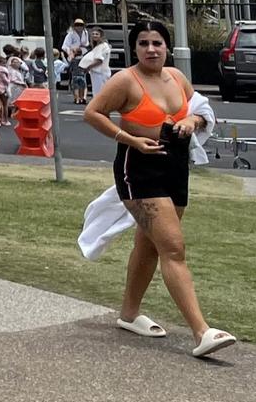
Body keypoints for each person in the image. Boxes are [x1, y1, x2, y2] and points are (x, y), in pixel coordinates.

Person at [83, 21, 235, 358]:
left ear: (167, 46)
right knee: (173, 247)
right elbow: (92, 113)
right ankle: (202, 331)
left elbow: (200, 111)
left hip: (175, 164)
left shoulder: (176, 78)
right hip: (139, 168)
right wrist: (130, 139)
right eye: (143, 43)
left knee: (149, 243)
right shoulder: (125, 80)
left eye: (157, 43)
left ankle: (129, 314)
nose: (151, 49)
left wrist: (190, 122)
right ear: (134, 48)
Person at [63, 18, 91, 105]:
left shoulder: (85, 33)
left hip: (83, 54)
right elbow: (65, 46)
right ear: (74, 26)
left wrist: (84, 47)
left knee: (83, 80)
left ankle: (82, 97)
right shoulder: (70, 35)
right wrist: (71, 53)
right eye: (77, 25)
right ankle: (77, 98)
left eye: (81, 25)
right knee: (76, 82)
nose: (79, 27)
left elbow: (86, 44)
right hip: (74, 54)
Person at [80, 26, 113, 98]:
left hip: (100, 74)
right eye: (93, 34)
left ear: (101, 35)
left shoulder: (103, 46)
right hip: (96, 73)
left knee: (100, 94)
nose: (95, 35)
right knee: (96, 93)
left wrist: (88, 67)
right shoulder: (96, 46)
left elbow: (99, 60)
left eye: (97, 34)